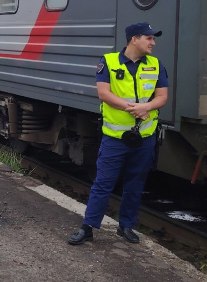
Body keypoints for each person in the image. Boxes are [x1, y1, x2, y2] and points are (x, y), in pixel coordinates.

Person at [68, 22, 168, 245]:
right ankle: (88, 227)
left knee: (135, 183)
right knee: (103, 183)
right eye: (149, 38)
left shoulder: (156, 65)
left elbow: (162, 96)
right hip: (115, 138)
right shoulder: (109, 62)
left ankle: (126, 226)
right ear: (135, 39)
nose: (153, 42)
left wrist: (146, 108)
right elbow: (104, 94)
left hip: (144, 138)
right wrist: (132, 108)